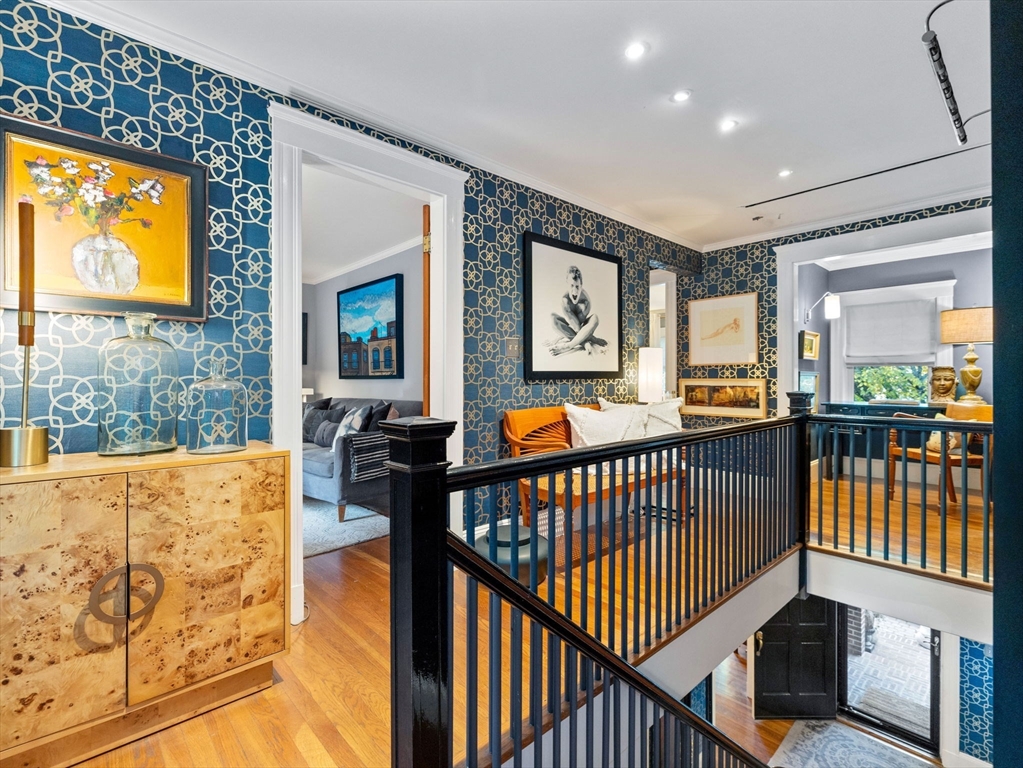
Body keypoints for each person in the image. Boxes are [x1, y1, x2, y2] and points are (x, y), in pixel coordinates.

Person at [549, 265, 607, 356]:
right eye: (571, 285)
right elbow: (575, 327)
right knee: (553, 318)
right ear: (567, 284)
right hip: (574, 327)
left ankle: (568, 346)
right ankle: (585, 341)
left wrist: (564, 337)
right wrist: (590, 340)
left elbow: (579, 326)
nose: (574, 291)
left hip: (581, 326)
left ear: (581, 285)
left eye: (577, 286)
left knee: (595, 318)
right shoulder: (564, 301)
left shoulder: (586, 302)